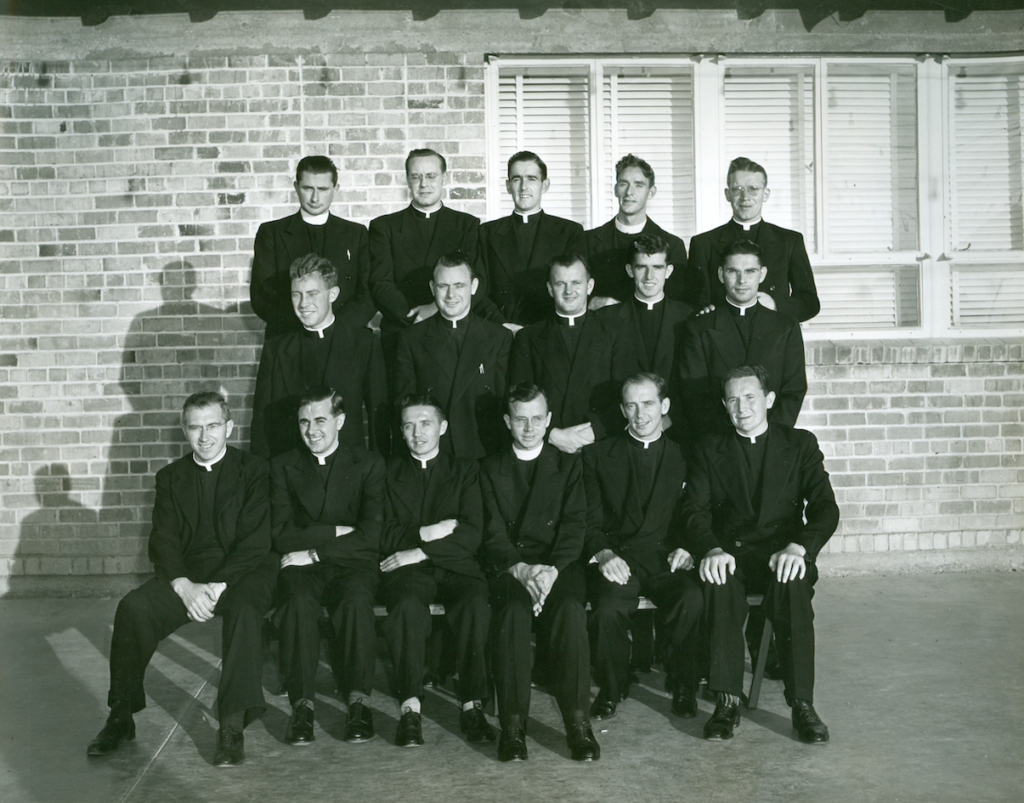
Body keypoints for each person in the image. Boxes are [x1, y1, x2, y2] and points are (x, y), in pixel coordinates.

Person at [87, 392, 277, 767]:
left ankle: (231, 725)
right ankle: (121, 716)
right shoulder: (170, 477)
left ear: (229, 428)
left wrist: (216, 587)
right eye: (195, 428)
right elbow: (163, 541)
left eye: (213, 426)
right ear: (184, 431)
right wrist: (183, 586)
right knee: (134, 607)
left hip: (245, 570)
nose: (204, 437)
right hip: (189, 575)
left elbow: (256, 540)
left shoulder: (254, 470)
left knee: (245, 613)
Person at [682, 366, 839, 743]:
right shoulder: (709, 447)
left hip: (780, 553)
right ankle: (727, 701)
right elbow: (693, 510)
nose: (742, 406)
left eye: (750, 397)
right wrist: (712, 549)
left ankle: (802, 704)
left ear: (768, 400)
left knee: (794, 584)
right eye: (733, 399)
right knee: (718, 584)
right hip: (731, 555)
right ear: (724, 404)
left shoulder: (799, 443)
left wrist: (800, 547)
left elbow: (825, 508)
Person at [479, 383, 600, 762]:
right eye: (520, 419)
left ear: (549, 420)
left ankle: (578, 723)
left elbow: (575, 524)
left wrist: (550, 571)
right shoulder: (489, 467)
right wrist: (520, 568)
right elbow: (492, 531)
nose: (529, 427)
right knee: (512, 613)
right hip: (511, 566)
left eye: (536, 419)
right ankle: (514, 726)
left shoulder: (568, 464)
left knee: (569, 612)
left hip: (558, 565)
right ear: (507, 421)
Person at [582, 373, 703, 721]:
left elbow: (696, 512)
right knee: (606, 608)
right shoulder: (598, 455)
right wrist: (604, 554)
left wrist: (689, 549)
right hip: (619, 557)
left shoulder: (687, 454)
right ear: (622, 409)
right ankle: (611, 685)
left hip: (667, 558)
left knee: (691, 597)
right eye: (631, 405)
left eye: (648, 403)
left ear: (664, 406)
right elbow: (587, 520)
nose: (640, 413)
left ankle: (683, 685)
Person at [270, 388, 385, 746]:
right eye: (304, 422)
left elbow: (372, 536)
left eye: (320, 420)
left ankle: (358, 703)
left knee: (354, 603)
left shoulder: (368, 463)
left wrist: (316, 549)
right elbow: (281, 536)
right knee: (298, 603)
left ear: (340, 420)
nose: (312, 430)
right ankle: (302, 705)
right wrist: (336, 531)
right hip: (301, 564)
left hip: (352, 565)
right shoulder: (283, 465)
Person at [379, 396, 494, 748]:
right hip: (408, 572)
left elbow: (472, 532)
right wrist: (428, 532)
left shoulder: (466, 470)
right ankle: (410, 708)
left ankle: (473, 703)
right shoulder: (387, 472)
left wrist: (418, 549)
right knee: (407, 607)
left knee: (475, 602)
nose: (417, 433)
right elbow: (382, 532)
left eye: (425, 423)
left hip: (456, 566)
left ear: (442, 427)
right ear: (401, 431)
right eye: (409, 425)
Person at [368, 148, 501, 388]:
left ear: (444, 178)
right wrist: (415, 316)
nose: (424, 184)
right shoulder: (384, 226)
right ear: (407, 179)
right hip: (402, 328)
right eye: (416, 176)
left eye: (431, 176)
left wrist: (433, 309)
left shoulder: (465, 225)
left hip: (453, 331)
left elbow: (478, 279)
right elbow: (380, 283)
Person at [250, 254, 388, 458]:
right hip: (290, 470)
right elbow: (262, 420)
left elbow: (380, 417)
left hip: (349, 467)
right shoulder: (276, 349)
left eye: (313, 293)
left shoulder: (364, 344)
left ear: (333, 294)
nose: (303, 303)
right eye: (297, 294)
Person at [677, 239, 807, 439]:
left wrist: (771, 435)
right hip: (719, 441)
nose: (741, 280)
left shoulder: (785, 326)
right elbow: (694, 394)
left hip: (772, 438)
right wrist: (723, 440)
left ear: (762, 274)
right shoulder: (699, 328)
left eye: (750, 272)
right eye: (732, 271)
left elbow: (794, 388)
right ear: (721, 274)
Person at [395, 253, 513, 460]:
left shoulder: (498, 337)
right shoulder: (411, 338)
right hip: (436, 454)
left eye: (459, 285)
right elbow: (405, 403)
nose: (451, 295)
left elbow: (504, 401)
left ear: (474, 286)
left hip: (484, 451)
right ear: (432, 288)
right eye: (443, 286)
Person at [251, 155, 374, 339]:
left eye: (323, 189)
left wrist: (335, 328)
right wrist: (306, 326)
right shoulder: (272, 233)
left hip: (345, 336)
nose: (315, 198)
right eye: (308, 188)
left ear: (336, 189)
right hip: (289, 337)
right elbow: (262, 296)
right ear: (296, 188)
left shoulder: (356, 233)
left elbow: (368, 292)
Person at [509, 253, 620, 454]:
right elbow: (519, 398)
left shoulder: (615, 332)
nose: (568, 291)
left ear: (590, 286)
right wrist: (551, 433)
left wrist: (594, 431)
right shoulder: (529, 337)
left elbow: (625, 392)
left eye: (576, 283)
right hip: (549, 449)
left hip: (601, 446)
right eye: (560, 284)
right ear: (550, 289)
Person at [686, 156, 819, 322]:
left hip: (771, 334)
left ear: (766, 194)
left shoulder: (789, 241)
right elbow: (694, 302)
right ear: (727, 194)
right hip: (723, 335)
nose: (745, 197)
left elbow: (810, 302)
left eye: (753, 189)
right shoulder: (704, 243)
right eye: (737, 189)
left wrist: (776, 304)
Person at [599, 234, 693, 437]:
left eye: (657, 267)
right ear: (629, 270)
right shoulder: (606, 319)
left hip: (676, 430)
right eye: (642, 267)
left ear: (668, 271)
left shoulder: (690, 318)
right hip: (620, 430)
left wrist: (669, 418)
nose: (649, 276)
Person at [479, 151, 587, 327]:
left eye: (531, 178)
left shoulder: (569, 232)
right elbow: (478, 290)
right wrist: (502, 325)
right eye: (516, 179)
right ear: (507, 186)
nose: (523, 187)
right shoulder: (486, 232)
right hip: (502, 331)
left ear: (544, 185)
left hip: (552, 330)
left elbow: (575, 290)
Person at [584, 154, 688, 309]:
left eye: (638, 185)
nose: (629, 192)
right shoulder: (589, 240)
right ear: (615, 189)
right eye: (623, 184)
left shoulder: (672, 245)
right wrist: (593, 301)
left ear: (651, 192)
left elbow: (679, 302)